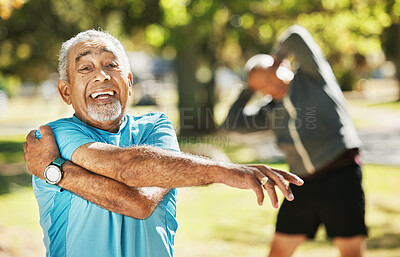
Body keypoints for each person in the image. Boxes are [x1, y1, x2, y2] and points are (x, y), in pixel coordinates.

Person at [23, 29, 304, 257]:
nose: (101, 75)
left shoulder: (156, 127)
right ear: (65, 91)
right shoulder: (54, 136)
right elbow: (125, 170)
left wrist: (56, 170)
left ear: (129, 82)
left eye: (111, 64)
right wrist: (224, 171)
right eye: (85, 67)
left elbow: (142, 201)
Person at [222, 25, 367, 257]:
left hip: (341, 175)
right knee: (278, 252)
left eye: (271, 77)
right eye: (263, 86)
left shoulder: (313, 77)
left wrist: (276, 57)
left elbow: (296, 35)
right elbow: (231, 123)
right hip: (302, 184)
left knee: (351, 252)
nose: (271, 87)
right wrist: (249, 88)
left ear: (282, 65)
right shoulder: (269, 110)